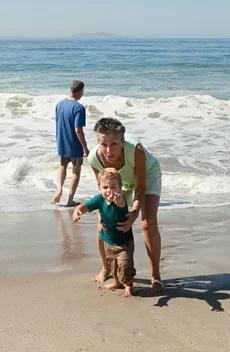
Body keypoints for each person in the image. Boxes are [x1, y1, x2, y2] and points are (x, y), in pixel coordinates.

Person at [87, 117, 164, 294]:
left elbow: (141, 186)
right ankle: (106, 269)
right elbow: (102, 189)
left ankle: (156, 277)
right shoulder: (94, 158)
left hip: (146, 177)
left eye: (114, 143)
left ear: (122, 140)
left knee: (148, 222)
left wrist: (135, 213)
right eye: (103, 144)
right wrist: (102, 216)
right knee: (102, 227)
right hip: (116, 183)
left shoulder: (136, 150)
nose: (108, 150)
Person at [72, 168, 136, 296]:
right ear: (99, 188)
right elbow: (85, 206)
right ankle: (117, 282)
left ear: (120, 187)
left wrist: (118, 200)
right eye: (105, 187)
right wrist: (77, 211)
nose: (109, 190)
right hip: (108, 240)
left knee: (125, 266)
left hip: (124, 243)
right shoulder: (99, 199)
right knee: (113, 265)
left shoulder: (120, 200)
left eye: (113, 187)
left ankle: (128, 285)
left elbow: (122, 203)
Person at [52, 80, 90, 206]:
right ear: (80, 92)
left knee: (62, 166)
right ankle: (70, 200)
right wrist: (86, 148)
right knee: (76, 171)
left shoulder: (59, 104)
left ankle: (59, 190)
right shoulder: (79, 108)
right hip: (74, 144)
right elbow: (78, 130)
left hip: (62, 141)